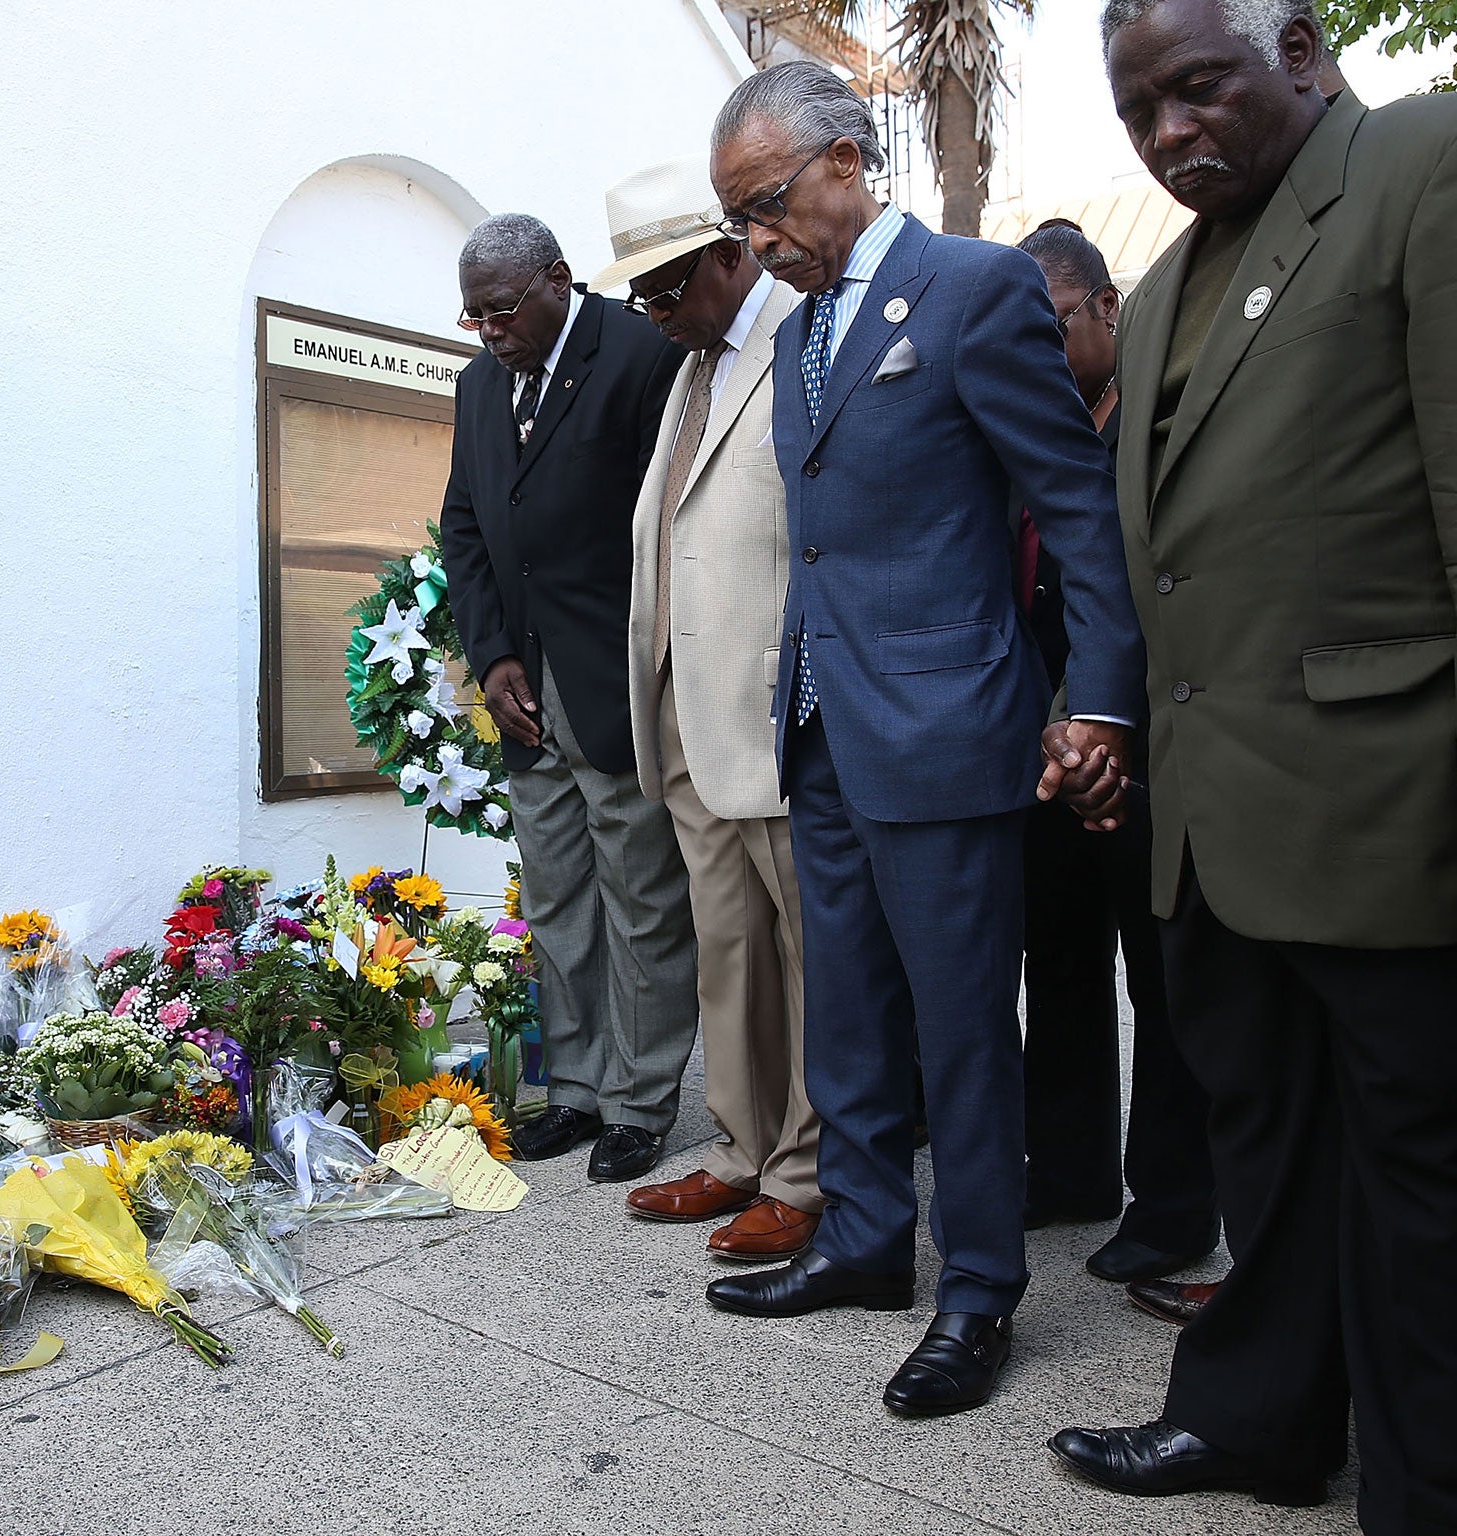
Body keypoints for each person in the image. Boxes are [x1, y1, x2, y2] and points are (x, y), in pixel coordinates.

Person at [1046, 3, 1457, 1527]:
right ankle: (1258, 1423)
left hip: (1388, 810)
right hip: (1215, 825)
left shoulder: (1419, 165)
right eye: (1139, 112)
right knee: (1268, 1156)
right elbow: (1166, 560)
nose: (1167, 135)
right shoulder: (1162, 290)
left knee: (1423, 1197)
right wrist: (1116, 724)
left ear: (1299, 46)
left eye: (1196, 87)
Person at [700, 62, 1147, 1420]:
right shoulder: (793, 337)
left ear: (848, 158)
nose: (760, 244)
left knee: (961, 1030)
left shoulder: (972, 287)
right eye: (742, 225)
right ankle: (860, 1241)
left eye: (769, 207)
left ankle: (979, 1294)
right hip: (825, 726)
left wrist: (1099, 697)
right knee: (850, 1016)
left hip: (951, 727)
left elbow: (1073, 508)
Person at [439, 213, 699, 1182]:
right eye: (471, 317)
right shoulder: (475, 387)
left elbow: (667, 527)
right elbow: (463, 527)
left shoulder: (637, 354)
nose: (486, 333)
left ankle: (639, 1101)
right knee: (555, 897)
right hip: (519, 689)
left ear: (556, 280)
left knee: (639, 897)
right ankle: (579, 1091)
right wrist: (492, 655)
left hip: (610, 681)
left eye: (499, 310)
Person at [591, 156, 820, 1260]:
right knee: (725, 948)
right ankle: (740, 1150)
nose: (651, 314)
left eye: (666, 289)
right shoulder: (689, 367)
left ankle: (808, 1172)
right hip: (682, 715)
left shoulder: (804, 337)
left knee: (804, 960)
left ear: (729, 256)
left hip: (771, 715)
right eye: (638, 296)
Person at [1014, 220, 1219, 1284]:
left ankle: (1173, 1206)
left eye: (1053, 325)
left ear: (1103, 305)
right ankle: (1069, 1168)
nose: (1040, 350)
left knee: (1162, 978)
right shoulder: (1028, 424)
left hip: (1141, 745)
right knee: (1056, 962)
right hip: (1041, 750)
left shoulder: (1156, 412)